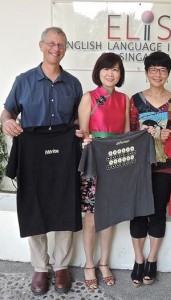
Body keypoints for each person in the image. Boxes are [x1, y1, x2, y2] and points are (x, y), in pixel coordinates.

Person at [1, 27, 83, 296]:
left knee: (64, 208)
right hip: (32, 158)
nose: (55, 48)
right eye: (51, 43)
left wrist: (79, 130)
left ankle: (61, 266)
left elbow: (77, 121)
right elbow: (8, 111)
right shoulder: (23, 80)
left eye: (60, 44)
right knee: (32, 207)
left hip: (63, 159)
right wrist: (8, 122)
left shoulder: (73, 84)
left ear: (65, 49)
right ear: (41, 46)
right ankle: (40, 267)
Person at [129, 51, 171, 287]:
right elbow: (129, 133)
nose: (157, 74)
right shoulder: (135, 100)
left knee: (158, 212)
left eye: (162, 70)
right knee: (138, 212)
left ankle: (152, 260)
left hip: (165, 166)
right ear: (146, 72)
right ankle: (138, 260)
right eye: (153, 69)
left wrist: (168, 136)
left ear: (168, 74)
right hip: (138, 166)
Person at [78, 52, 130, 289]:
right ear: (98, 72)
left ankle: (104, 262)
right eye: (107, 69)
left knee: (109, 217)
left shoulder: (124, 99)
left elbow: (127, 135)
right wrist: (88, 142)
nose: (111, 74)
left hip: (116, 163)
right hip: (94, 162)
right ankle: (89, 264)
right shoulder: (89, 97)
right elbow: (84, 132)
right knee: (91, 217)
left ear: (120, 74)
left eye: (116, 69)